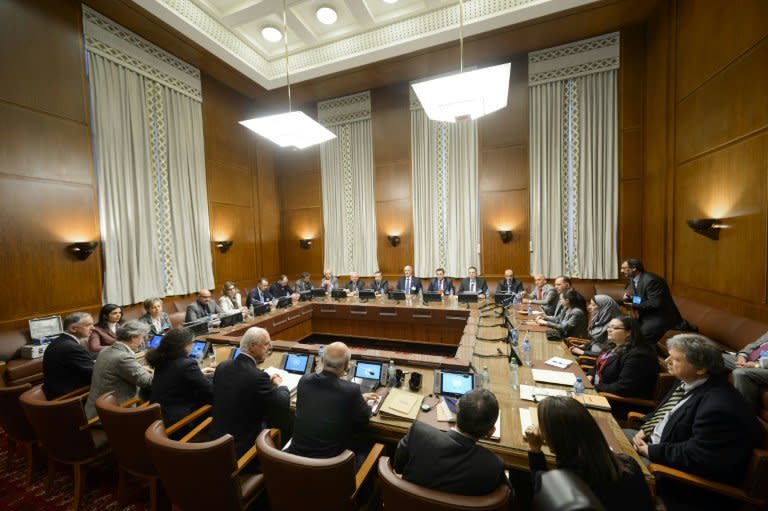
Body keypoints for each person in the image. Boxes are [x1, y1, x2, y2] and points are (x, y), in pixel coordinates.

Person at [628, 334, 762, 506]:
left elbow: (697, 455)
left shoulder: (719, 406)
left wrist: (650, 451)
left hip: (673, 477)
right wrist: (644, 430)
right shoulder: (687, 382)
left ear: (701, 368)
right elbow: (662, 413)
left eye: (676, 358)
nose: (667, 361)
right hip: (651, 444)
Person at [524, 396, 653, 511]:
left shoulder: (569, 480)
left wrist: (535, 449)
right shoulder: (627, 463)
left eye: (542, 427)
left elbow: (541, 487)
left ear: (557, 439)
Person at [392, 389, 508, 496]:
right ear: (490, 432)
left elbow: (398, 468)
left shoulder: (417, 434)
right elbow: (507, 500)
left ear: (457, 406)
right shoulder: (493, 466)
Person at [209, 327, 291, 468]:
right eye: (266, 344)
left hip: (214, 443)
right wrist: (279, 385)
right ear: (252, 346)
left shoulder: (223, 366)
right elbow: (282, 403)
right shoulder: (258, 377)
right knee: (284, 422)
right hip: (240, 452)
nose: (270, 348)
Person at [287, 342, 376, 463]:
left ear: (322, 360)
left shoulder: (304, 380)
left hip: (296, 461)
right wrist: (360, 402)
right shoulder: (351, 390)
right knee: (369, 441)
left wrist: (357, 399)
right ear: (346, 365)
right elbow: (364, 419)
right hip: (330, 466)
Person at [588, 316, 660, 419]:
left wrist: (595, 387)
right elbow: (597, 365)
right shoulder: (614, 345)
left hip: (618, 403)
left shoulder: (639, 356)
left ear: (629, 332)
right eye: (609, 326)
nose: (609, 329)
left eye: (614, 327)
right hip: (602, 392)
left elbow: (623, 388)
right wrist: (590, 375)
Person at [84, 320, 154, 419]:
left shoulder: (106, 350)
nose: (143, 341)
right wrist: (160, 371)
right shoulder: (122, 357)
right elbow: (147, 381)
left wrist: (141, 368)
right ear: (133, 337)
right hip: (111, 415)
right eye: (142, 337)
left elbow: (117, 368)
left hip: (95, 409)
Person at [147, 327, 214, 427]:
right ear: (184, 346)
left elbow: (177, 378)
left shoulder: (162, 359)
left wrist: (200, 374)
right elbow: (211, 391)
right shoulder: (187, 364)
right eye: (192, 342)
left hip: (159, 416)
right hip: (179, 423)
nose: (193, 345)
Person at [621, 259, 682, 344]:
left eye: (624, 268)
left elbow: (655, 303)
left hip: (660, 317)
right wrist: (631, 298)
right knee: (625, 330)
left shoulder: (652, 280)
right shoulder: (633, 278)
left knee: (640, 337)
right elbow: (643, 299)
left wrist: (632, 304)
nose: (621, 271)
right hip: (646, 314)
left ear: (634, 268)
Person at [42, 312, 96, 400]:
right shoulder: (72, 347)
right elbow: (94, 373)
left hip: (58, 389)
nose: (93, 328)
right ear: (73, 329)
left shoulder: (61, 341)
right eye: (88, 325)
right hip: (68, 397)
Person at [725, 330, 768, 412]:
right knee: (716, 357)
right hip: (752, 360)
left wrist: (758, 365)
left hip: (763, 366)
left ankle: (744, 416)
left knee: (740, 373)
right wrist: (742, 356)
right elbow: (755, 344)